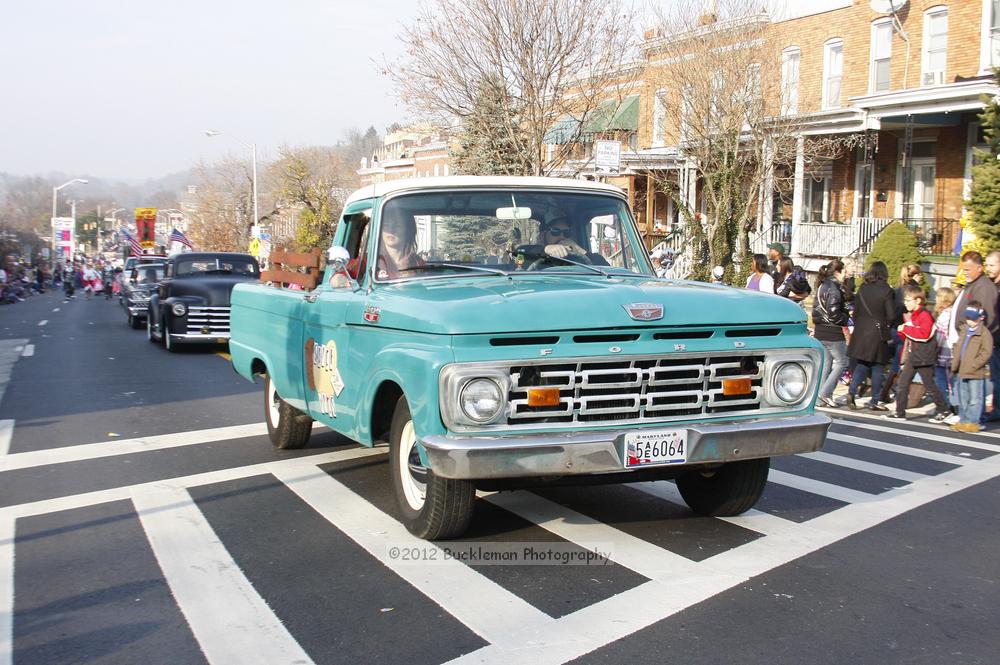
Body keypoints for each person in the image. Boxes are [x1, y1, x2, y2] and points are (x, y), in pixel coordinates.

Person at [883, 285, 951, 423]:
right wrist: (904, 330)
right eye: (905, 300)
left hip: (923, 357)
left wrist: (906, 329)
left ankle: (944, 410)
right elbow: (910, 336)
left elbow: (924, 335)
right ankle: (899, 412)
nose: (906, 303)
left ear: (918, 301)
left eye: (909, 300)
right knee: (903, 383)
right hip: (915, 355)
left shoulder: (924, 315)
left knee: (930, 385)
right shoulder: (915, 315)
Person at [845, 261, 894, 410]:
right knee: (878, 366)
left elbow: (857, 310)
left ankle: (852, 391)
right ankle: (875, 400)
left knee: (862, 363)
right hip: (877, 332)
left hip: (861, 331)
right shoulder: (887, 290)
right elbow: (891, 315)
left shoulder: (863, 288)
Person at [951, 301, 993, 433]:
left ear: (981, 317)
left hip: (975, 372)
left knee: (975, 398)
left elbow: (986, 352)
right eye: (967, 318)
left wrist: (975, 365)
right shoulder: (964, 330)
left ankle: (973, 421)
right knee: (963, 398)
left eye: (972, 318)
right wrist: (955, 364)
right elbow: (958, 347)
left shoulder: (984, 333)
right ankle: (963, 420)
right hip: (961, 370)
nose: (969, 321)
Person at [812, 259, 849, 408]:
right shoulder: (834, 288)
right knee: (842, 362)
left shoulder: (822, 285)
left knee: (826, 363)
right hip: (833, 330)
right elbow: (834, 313)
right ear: (837, 272)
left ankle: (820, 398)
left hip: (821, 330)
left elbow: (816, 310)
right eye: (844, 272)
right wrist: (845, 317)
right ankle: (825, 393)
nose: (846, 275)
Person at [932, 287, 958, 423]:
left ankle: (945, 409)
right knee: (952, 383)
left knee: (942, 383)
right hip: (953, 353)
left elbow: (940, 336)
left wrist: (933, 350)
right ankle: (954, 407)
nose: (935, 298)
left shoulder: (944, 314)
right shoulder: (955, 312)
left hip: (943, 352)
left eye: (938, 296)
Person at [375, 207, 423, 280]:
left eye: (398, 226)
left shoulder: (417, 262)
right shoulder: (368, 261)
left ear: (408, 231)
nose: (391, 230)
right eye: (386, 225)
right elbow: (352, 278)